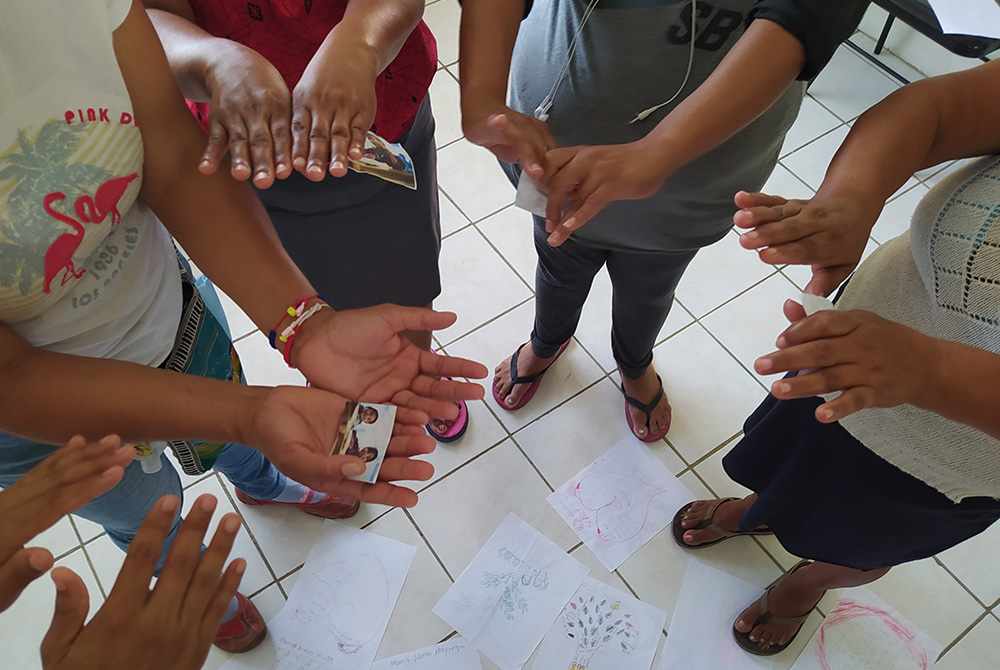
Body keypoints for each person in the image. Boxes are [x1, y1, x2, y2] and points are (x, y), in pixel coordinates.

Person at [0, 0, 486, 653]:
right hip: (38, 424)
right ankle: (203, 584)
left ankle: (264, 488)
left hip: (171, 307)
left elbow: (170, 155)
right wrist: (251, 411)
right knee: (149, 513)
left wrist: (304, 326)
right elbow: (13, 375)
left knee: (245, 443)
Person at [673, 59, 1000, 656]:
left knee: (863, 544)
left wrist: (932, 370)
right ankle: (758, 512)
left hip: (952, 470)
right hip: (844, 358)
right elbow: (934, 110)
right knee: (792, 469)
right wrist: (850, 200)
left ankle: (808, 581)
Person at [459, 0, 867, 441]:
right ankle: (546, 340)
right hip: (558, 169)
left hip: (687, 187)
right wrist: (481, 94)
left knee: (647, 292)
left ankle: (633, 363)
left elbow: (813, 14)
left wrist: (660, 151)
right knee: (558, 270)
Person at [142, 0, 470, 443]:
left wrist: (359, 42)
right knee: (311, 293)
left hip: (382, 118)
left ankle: (398, 373)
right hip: (244, 149)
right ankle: (346, 383)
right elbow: (136, 23)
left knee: (404, 285)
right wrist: (209, 57)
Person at [1, 434, 244, 669]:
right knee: (153, 523)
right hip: (33, 440)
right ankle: (204, 591)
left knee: (235, 435)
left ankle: (267, 487)